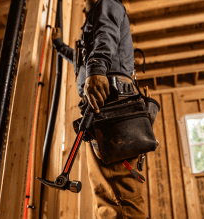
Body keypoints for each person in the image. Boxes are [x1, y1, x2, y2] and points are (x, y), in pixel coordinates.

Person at [52, 0, 147, 218]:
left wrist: (97, 69)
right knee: (108, 194)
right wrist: (58, 44)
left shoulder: (105, 3)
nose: (82, 2)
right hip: (103, 105)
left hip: (111, 103)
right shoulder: (95, 17)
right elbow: (82, 61)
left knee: (117, 197)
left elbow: (106, 33)